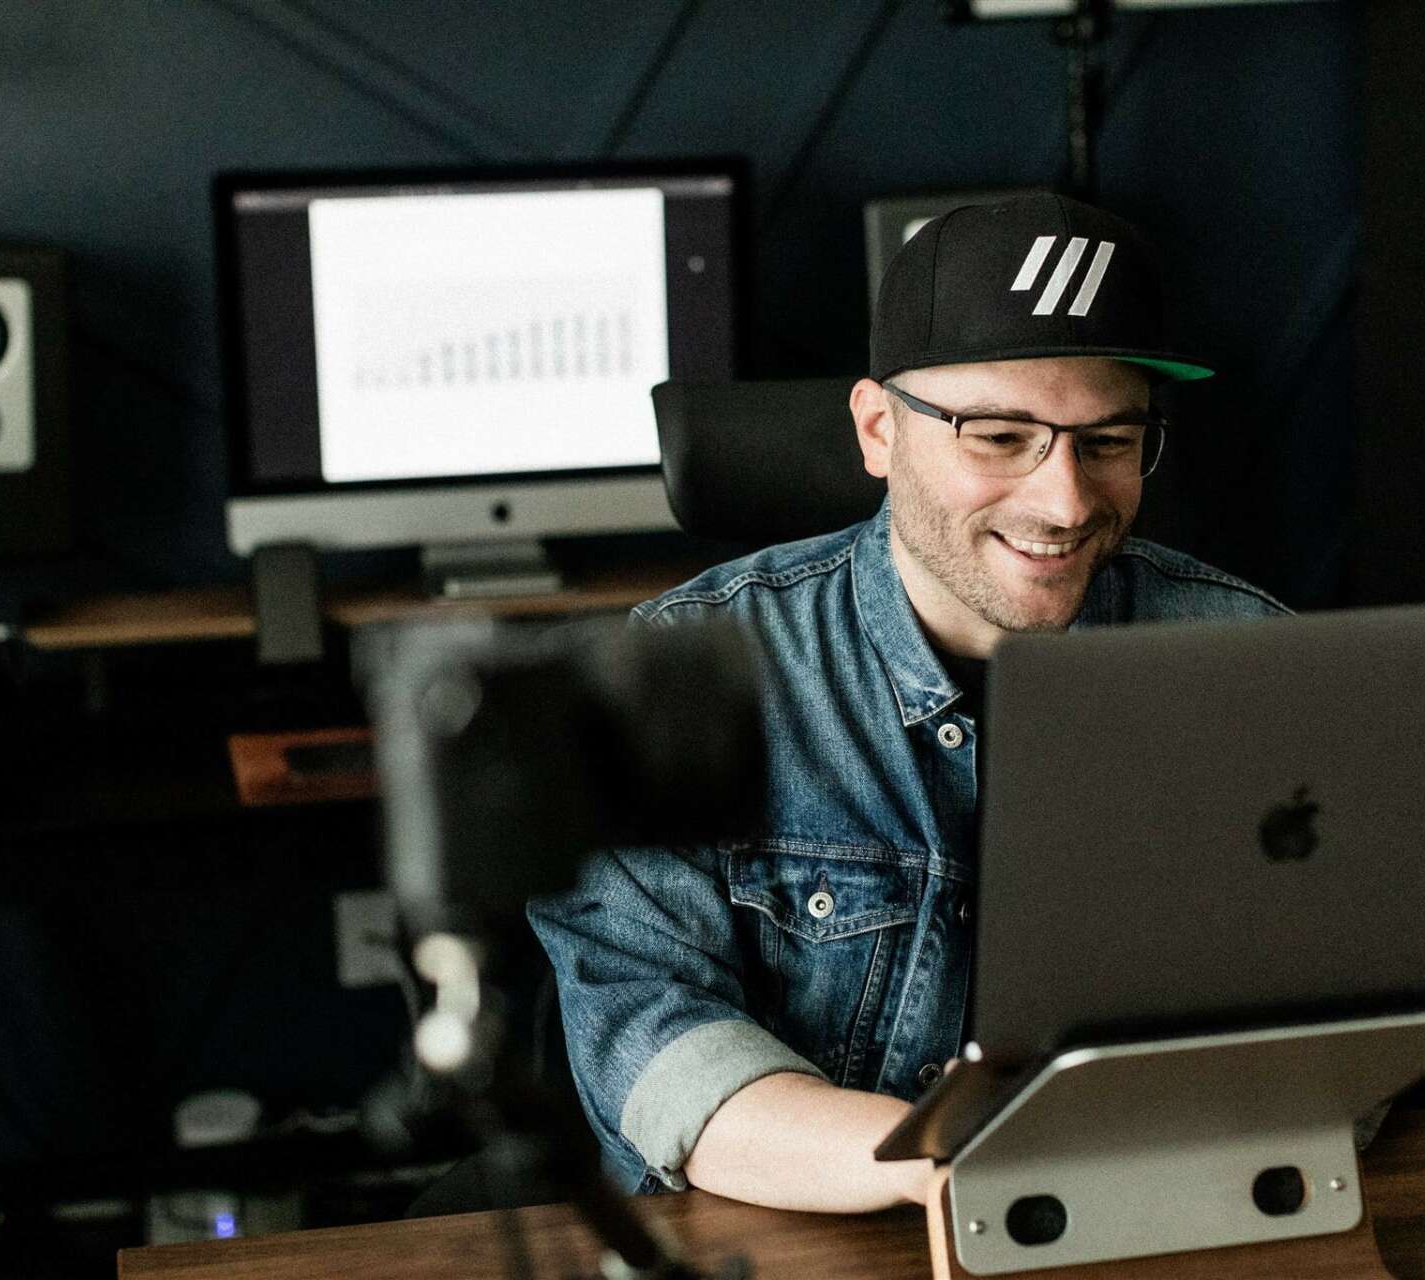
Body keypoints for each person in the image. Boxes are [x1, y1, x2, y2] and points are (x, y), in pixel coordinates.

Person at [528, 193, 1289, 1212]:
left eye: (1108, 441)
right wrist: (950, 1167)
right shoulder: (681, 676)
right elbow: (650, 1042)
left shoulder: (1248, 662)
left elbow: (1331, 1006)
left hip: (1160, 1206)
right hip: (797, 1234)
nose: (1065, 501)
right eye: (1001, 436)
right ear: (879, 429)